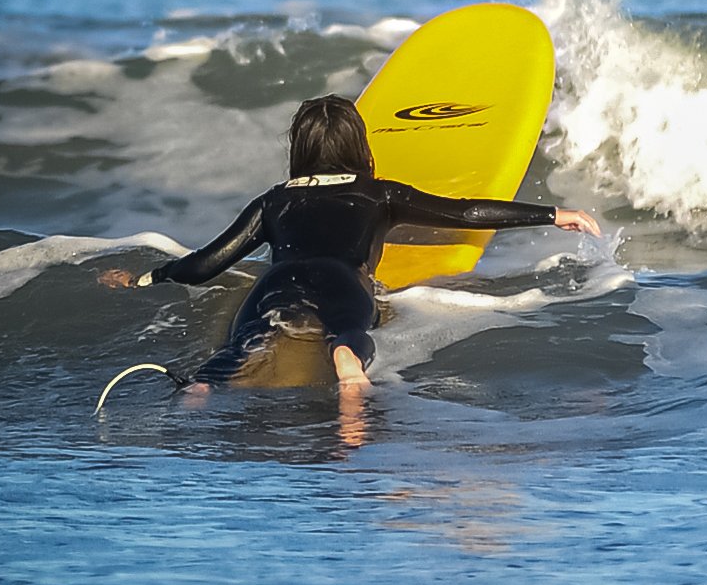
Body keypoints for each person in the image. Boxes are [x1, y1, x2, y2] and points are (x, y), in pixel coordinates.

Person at [100, 95, 599, 392]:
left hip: (276, 284)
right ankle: (347, 368)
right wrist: (555, 214)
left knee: (237, 352)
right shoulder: (379, 195)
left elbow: (207, 262)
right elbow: (463, 210)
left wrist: (145, 278)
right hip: (343, 280)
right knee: (346, 337)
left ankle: (200, 392)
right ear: (359, 147)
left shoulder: (275, 202)